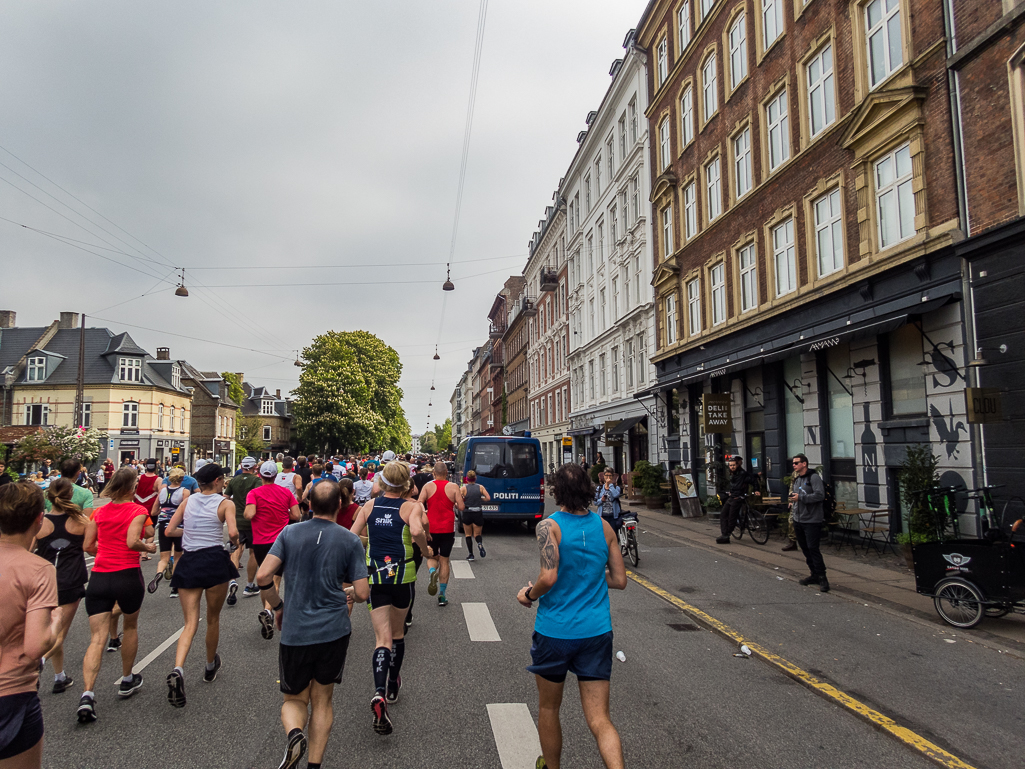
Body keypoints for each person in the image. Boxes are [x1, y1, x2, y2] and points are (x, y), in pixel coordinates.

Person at [516, 463, 627, 769]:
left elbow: (549, 577)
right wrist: (588, 576)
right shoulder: (604, 527)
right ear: (589, 490)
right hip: (596, 631)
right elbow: (619, 580)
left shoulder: (548, 526)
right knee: (600, 719)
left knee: (549, 709)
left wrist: (528, 595)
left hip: (556, 632)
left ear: (557, 491)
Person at [257, 481, 370, 769]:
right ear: (341, 505)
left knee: (294, 699)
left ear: (308, 505)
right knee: (323, 699)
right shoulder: (349, 540)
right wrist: (346, 593)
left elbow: (262, 576)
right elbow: (362, 593)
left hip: (296, 630)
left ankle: (295, 734)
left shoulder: (289, 533)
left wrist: (278, 606)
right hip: (333, 630)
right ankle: (314, 765)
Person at [350, 461, 431, 735]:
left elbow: (352, 536)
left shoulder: (370, 506)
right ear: (407, 484)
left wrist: (366, 545)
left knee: (381, 639)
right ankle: (394, 684)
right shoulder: (412, 507)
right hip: (402, 577)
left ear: (382, 482)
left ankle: (379, 691)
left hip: (375, 577)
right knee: (398, 635)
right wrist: (425, 549)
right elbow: (418, 531)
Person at [77, 467, 155, 723]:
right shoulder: (138, 510)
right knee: (130, 627)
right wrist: (149, 547)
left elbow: (88, 545)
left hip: (99, 576)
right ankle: (126, 678)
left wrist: (105, 550)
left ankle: (87, 693)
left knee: (96, 638)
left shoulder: (99, 512)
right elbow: (133, 541)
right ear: (132, 488)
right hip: (127, 575)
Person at [164, 463, 239, 708]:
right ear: (217, 481)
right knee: (212, 618)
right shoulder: (225, 503)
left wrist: (190, 533)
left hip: (190, 561)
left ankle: (178, 668)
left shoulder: (189, 501)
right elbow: (233, 532)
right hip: (214, 560)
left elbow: (169, 530)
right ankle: (209, 666)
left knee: (189, 623)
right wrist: (235, 542)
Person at [0, 482, 62, 768]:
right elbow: (36, 645)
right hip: (12, 693)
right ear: (39, 519)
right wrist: (55, 623)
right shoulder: (38, 569)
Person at [34, 479, 90, 694]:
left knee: (51, 630)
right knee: (59, 633)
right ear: (71, 495)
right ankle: (39, 661)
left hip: (44, 582)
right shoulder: (81, 521)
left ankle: (60, 677)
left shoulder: (40, 523)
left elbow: (29, 550)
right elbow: (92, 546)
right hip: (70, 581)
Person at [245, 461, 301, 639]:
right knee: (275, 579)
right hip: (281, 541)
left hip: (260, 541)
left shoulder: (253, 493)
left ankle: (266, 609)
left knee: (264, 579)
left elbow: (249, 514)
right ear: (275, 476)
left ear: (260, 475)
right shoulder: (285, 492)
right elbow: (296, 515)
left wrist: (255, 512)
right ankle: (269, 611)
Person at [417, 462, 464, 606]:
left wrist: (425, 512)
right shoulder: (453, 487)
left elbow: (419, 503)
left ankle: (432, 572)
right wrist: (455, 503)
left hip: (431, 528)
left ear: (433, 473)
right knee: (444, 560)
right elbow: (461, 507)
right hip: (448, 528)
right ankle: (442, 595)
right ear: (446, 473)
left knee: (431, 555)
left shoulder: (427, 486)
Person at [789, 454, 829, 592]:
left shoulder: (814, 478)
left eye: (796, 463)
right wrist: (792, 501)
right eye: (793, 463)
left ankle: (823, 577)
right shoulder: (797, 479)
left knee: (813, 548)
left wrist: (801, 497)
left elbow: (819, 495)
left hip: (812, 520)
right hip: (798, 519)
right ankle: (814, 574)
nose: (794, 465)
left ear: (804, 464)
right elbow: (796, 496)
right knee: (805, 548)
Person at [148, 467, 190, 597]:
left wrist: (164, 510)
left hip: (163, 525)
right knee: (177, 556)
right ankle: (175, 587)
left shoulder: (162, 492)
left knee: (164, 558)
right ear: (182, 479)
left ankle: (159, 573)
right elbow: (187, 510)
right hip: (178, 526)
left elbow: (153, 512)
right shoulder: (185, 492)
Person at [225, 457, 263, 600]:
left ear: (241, 466)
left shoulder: (234, 480)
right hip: (253, 521)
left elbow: (226, 496)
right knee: (253, 552)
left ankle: (233, 580)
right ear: (254, 467)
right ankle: (249, 584)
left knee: (236, 549)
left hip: (237, 520)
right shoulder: (257, 481)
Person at [715, 456, 760, 545]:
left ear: (737, 465)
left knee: (732, 517)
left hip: (738, 498)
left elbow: (753, 480)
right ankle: (724, 534)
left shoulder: (742, 474)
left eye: (733, 465)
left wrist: (756, 490)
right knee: (723, 515)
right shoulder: (732, 474)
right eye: (730, 465)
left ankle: (726, 535)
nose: (732, 467)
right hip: (732, 497)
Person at [460, 470, 491, 561]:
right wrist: (480, 499)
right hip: (478, 512)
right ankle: (479, 543)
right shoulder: (480, 487)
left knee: (468, 534)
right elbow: (488, 498)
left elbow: (459, 499)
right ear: (475, 478)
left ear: (467, 479)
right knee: (477, 533)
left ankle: (471, 554)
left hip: (467, 512)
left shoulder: (463, 489)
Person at [594, 470, 623, 538]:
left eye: (610, 475)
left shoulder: (616, 488)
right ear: (604, 477)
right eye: (606, 475)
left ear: (612, 477)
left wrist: (610, 485)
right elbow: (595, 502)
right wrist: (601, 500)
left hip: (613, 516)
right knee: (603, 536)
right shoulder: (599, 488)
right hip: (602, 515)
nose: (608, 477)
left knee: (613, 536)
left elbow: (616, 495)